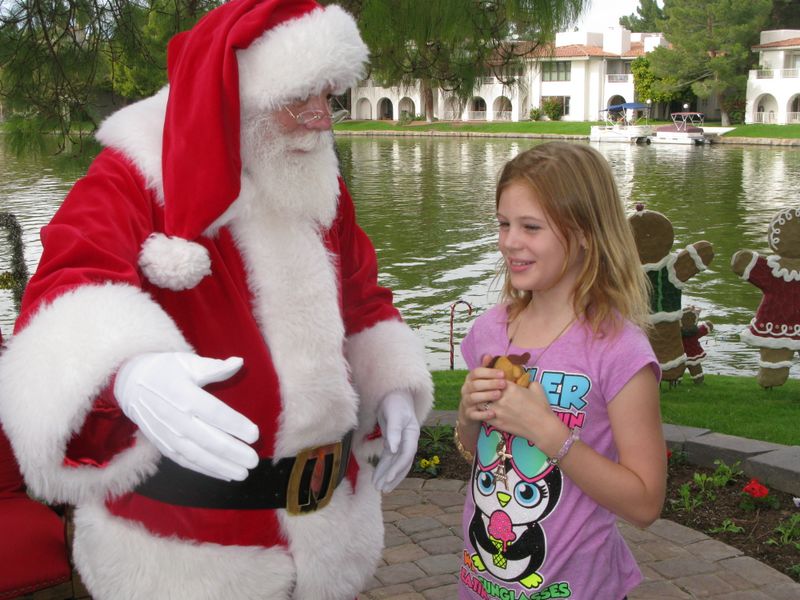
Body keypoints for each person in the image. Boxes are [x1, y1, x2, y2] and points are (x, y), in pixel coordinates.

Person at [0, 1, 432, 599]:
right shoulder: (131, 175)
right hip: (185, 553)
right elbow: (66, 284)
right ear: (238, 94)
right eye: (298, 99)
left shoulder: (312, 177)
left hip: (329, 534)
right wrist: (123, 370)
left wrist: (392, 388)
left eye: (327, 96)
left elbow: (360, 295)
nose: (321, 119)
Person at [455, 142, 666, 599]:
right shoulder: (490, 332)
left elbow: (646, 502)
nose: (510, 242)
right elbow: (480, 455)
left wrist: (549, 434)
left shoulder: (618, 351)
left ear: (586, 232)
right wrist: (469, 417)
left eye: (531, 227)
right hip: (483, 586)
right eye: (504, 224)